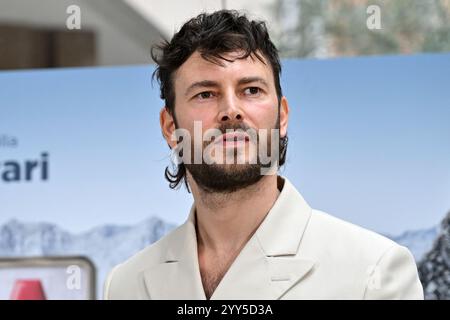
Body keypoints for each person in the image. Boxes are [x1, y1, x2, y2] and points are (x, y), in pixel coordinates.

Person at [104, 10, 423, 300]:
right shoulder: (127, 285)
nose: (231, 111)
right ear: (170, 126)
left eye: (251, 90)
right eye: (205, 93)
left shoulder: (373, 274)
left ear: (282, 116)